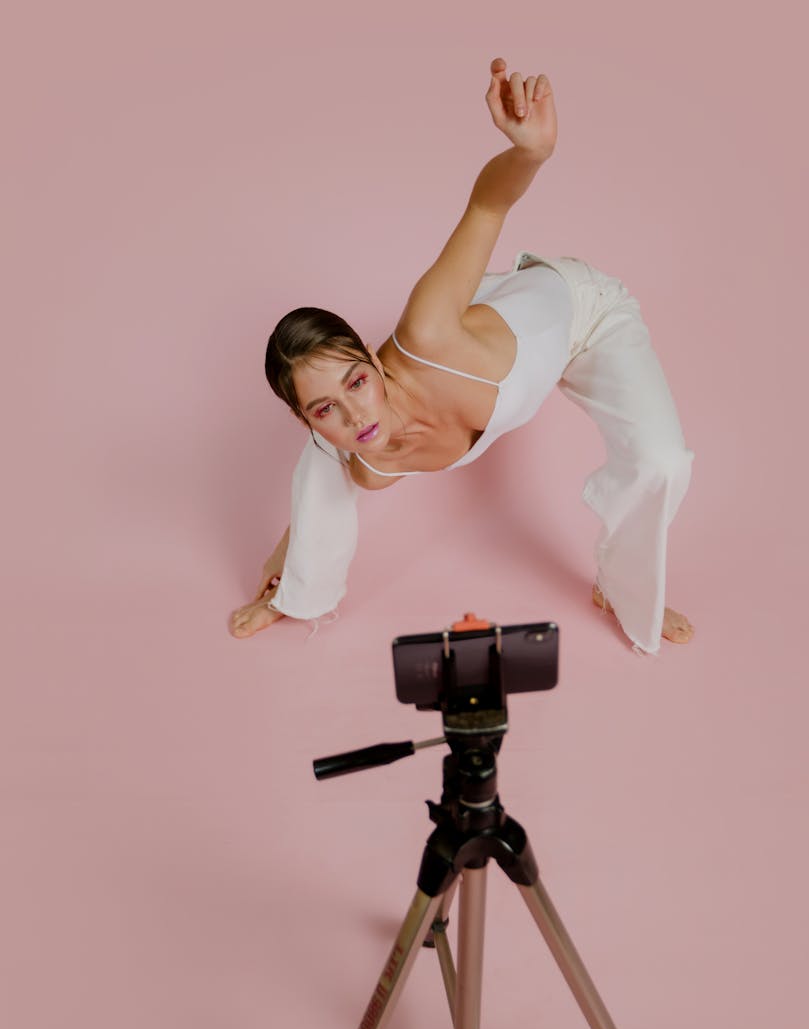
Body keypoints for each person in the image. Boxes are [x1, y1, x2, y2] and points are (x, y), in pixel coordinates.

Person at [229, 57, 695, 655]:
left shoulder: (424, 333)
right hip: (508, 344)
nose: (355, 415)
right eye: (323, 410)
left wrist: (531, 153)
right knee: (332, 464)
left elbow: (486, 208)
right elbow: (316, 494)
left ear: (372, 360)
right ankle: (292, 590)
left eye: (356, 382)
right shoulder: (371, 462)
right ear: (305, 421)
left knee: (663, 460)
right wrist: (281, 575)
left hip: (585, 314)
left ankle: (624, 586)